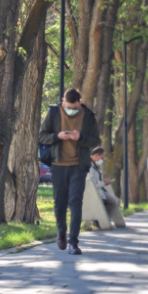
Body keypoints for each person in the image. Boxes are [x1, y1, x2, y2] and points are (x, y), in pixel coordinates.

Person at [39, 88, 101, 255]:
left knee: (75, 202)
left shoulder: (88, 116)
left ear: (80, 103)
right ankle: (61, 233)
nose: (71, 110)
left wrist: (80, 137)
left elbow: (96, 140)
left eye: (75, 107)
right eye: (69, 106)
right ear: (63, 101)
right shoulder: (53, 113)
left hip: (78, 166)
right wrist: (57, 136)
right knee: (59, 203)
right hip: (58, 165)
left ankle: (73, 242)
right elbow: (42, 135)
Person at [88, 147, 125, 227]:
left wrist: (104, 182)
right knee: (114, 202)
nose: (103, 159)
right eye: (102, 157)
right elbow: (92, 183)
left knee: (117, 201)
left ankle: (102, 220)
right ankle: (102, 221)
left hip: (98, 191)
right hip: (93, 192)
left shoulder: (93, 164)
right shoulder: (89, 166)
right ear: (97, 155)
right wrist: (104, 182)